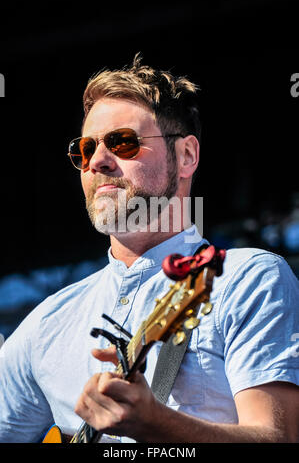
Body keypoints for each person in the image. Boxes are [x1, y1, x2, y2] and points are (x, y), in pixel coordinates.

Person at [0, 54, 299, 444]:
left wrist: (156, 424)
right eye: (85, 149)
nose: (97, 162)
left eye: (122, 142)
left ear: (186, 155)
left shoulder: (247, 279)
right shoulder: (46, 325)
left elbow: (279, 438)